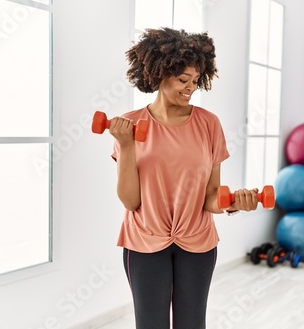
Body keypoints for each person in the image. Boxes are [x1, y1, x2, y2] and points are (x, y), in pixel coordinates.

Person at [109, 27, 259, 329]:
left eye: (195, 81)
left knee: (192, 324)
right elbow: (130, 200)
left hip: (198, 242)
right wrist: (126, 145)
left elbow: (211, 196)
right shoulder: (130, 125)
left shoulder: (209, 124)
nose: (191, 88)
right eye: (182, 80)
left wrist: (234, 202)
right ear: (160, 74)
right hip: (145, 242)